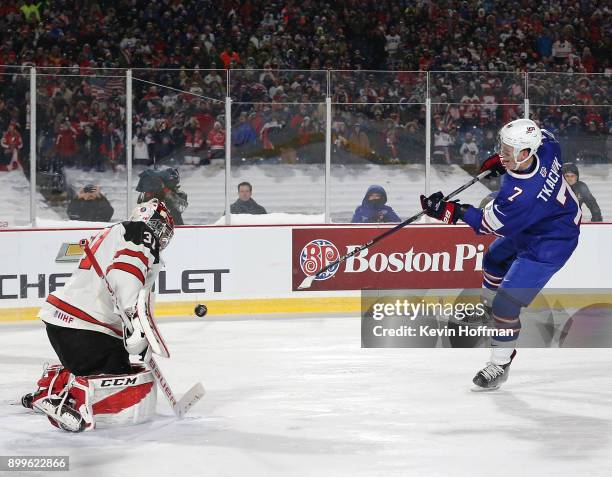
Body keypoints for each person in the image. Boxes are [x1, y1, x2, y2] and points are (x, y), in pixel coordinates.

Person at [420, 119, 580, 390]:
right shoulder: (548, 147)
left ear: (526, 153)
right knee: (494, 258)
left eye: (507, 152)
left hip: (551, 242)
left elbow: (485, 224)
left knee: (506, 306)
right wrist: (502, 160)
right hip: (540, 222)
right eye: (502, 149)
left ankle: (500, 363)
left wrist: (449, 210)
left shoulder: (519, 196)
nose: (501, 155)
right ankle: (486, 310)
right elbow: (545, 133)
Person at [21, 199, 175, 432]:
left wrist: (136, 327)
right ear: (147, 221)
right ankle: (73, 400)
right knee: (122, 377)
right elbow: (126, 274)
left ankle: (52, 386)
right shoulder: (139, 233)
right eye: (159, 226)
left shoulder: (115, 232)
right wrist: (135, 320)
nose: (161, 235)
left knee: (118, 363)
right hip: (86, 327)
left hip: (65, 324)